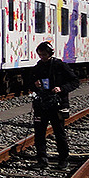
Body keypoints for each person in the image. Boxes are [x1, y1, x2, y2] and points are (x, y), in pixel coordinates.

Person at [28, 41, 80, 169]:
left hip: (57, 105)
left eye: (44, 54)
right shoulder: (37, 67)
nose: (42, 57)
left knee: (59, 133)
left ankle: (63, 159)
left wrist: (61, 88)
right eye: (40, 55)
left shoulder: (60, 65)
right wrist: (34, 85)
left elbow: (75, 81)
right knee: (39, 133)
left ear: (50, 53)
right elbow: (28, 83)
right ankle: (42, 159)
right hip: (41, 104)